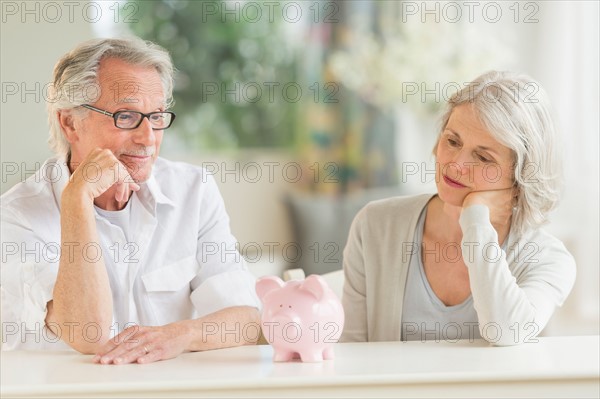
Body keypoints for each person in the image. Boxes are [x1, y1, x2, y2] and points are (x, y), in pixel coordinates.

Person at [1, 37, 262, 363]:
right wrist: (77, 201)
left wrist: (177, 336)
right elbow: (88, 334)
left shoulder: (194, 191)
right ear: (70, 123)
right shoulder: (14, 217)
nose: (147, 138)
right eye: (125, 116)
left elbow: (247, 321)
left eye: (156, 117)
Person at [341, 71, 576, 346]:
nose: (455, 164)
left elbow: (506, 332)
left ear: (520, 176)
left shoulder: (549, 260)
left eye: (483, 157)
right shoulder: (376, 224)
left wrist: (476, 220)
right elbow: (350, 354)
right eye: (452, 141)